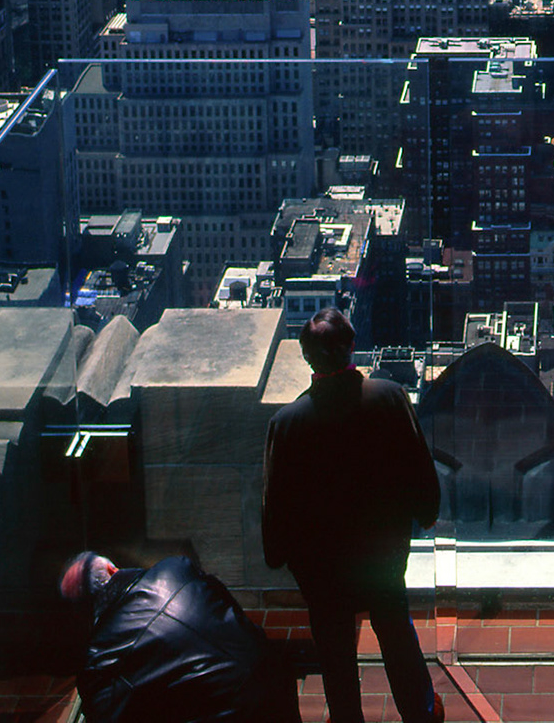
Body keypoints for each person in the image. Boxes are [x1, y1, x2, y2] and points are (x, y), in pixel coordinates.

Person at [261, 308, 444, 723]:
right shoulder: (389, 397)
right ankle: (421, 710)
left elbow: (277, 502)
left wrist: (280, 555)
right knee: (396, 631)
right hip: (383, 553)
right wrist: (427, 512)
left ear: (307, 358)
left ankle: (346, 718)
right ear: (351, 347)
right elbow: (418, 465)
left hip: (322, 568)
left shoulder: (286, 424)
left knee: (333, 648)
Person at [61, 549, 296, 723]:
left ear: (81, 613)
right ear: (113, 569)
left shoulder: (100, 660)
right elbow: (229, 609)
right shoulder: (177, 568)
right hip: (274, 679)